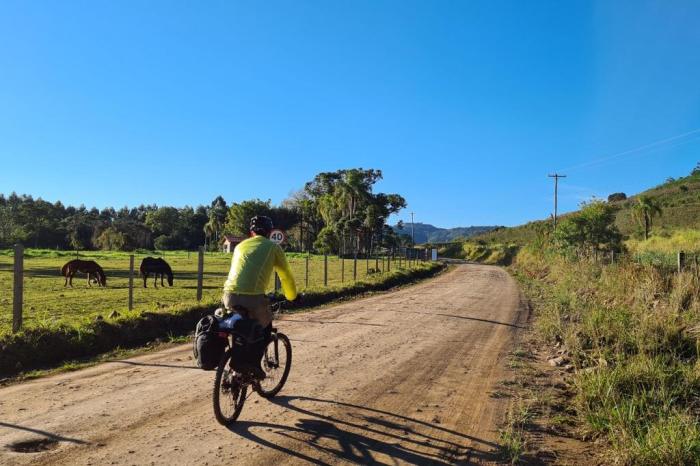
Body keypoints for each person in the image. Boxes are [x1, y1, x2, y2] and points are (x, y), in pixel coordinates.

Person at [222, 215, 297, 378]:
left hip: (229, 295)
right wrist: (292, 296)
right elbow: (286, 275)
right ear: (269, 232)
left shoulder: (240, 246)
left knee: (240, 327)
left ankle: (236, 364)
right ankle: (253, 366)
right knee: (265, 328)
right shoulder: (272, 247)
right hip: (253, 297)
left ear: (251, 232)